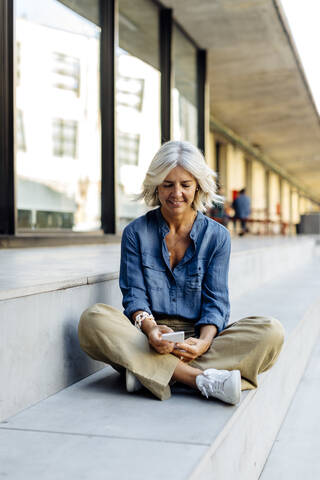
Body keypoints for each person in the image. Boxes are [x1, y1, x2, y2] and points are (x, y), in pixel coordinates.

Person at [78, 141, 284, 405]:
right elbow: (134, 297)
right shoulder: (135, 233)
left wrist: (204, 342)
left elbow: (216, 302)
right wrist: (151, 330)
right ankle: (199, 380)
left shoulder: (218, 237)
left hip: (196, 340)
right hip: (148, 337)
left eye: (185, 185)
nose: (177, 193)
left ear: (197, 185)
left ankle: (148, 372)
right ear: (156, 185)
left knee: (271, 331)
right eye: (168, 184)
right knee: (93, 320)